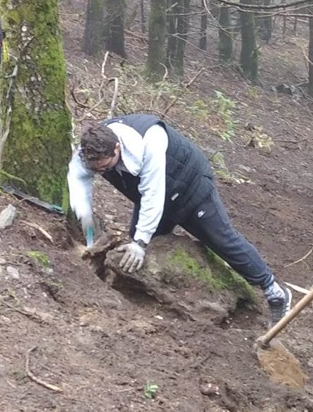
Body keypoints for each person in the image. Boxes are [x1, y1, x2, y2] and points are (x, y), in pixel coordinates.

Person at [68, 113, 292, 323]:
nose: (102, 172)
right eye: (97, 170)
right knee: (136, 255)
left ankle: (273, 291)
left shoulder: (149, 140)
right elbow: (78, 181)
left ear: (117, 147)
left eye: (106, 167)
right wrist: (86, 220)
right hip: (153, 196)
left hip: (191, 184)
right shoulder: (89, 152)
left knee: (222, 239)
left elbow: (153, 193)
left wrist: (140, 241)